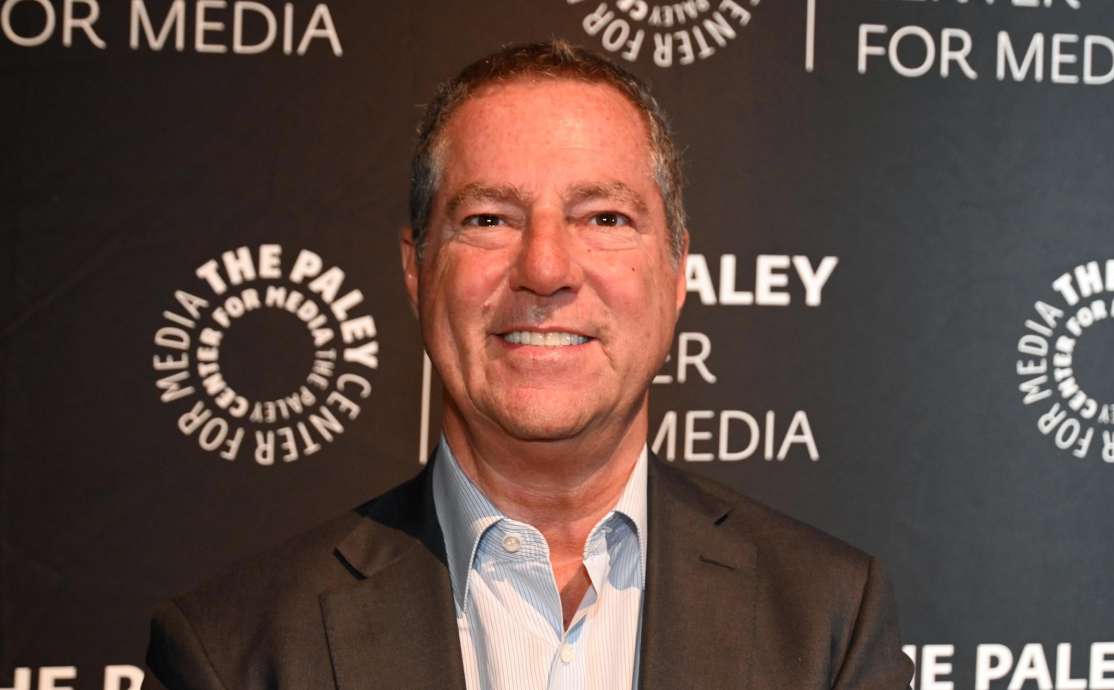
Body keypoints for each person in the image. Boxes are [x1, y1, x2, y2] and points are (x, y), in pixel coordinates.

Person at [146, 40, 914, 690]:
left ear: (678, 272)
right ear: (417, 271)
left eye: (604, 217)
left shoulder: (828, 624)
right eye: (488, 219)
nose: (546, 268)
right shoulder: (232, 651)